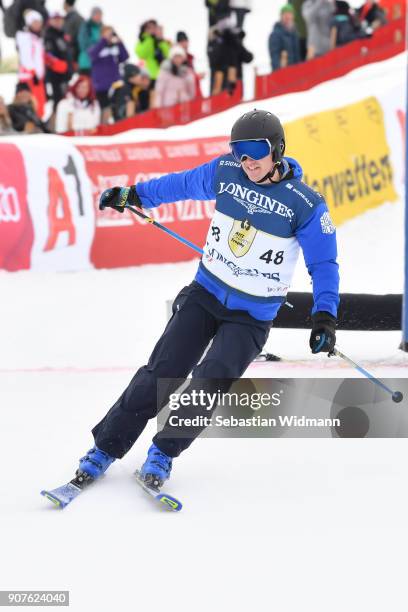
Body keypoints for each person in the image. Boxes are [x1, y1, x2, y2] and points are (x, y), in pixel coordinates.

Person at [69, 109, 340, 492]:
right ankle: (104, 449)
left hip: (251, 316)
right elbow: (180, 185)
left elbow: (324, 264)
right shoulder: (226, 172)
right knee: (161, 372)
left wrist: (325, 315)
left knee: (209, 382)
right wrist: (134, 195)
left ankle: (162, 453)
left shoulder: (305, 205)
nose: (246, 162)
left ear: (277, 149)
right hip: (205, 294)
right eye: (239, 152)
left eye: (255, 152)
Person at [88, 25, 129, 123]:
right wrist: (104, 41)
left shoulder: (115, 47)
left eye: (111, 33)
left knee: (118, 108)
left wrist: (120, 43)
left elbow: (124, 57)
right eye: (107, 33)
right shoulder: (96, 46)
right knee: (104, 109)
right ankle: (104, 130)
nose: (110, 36)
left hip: (115, 84)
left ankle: (119, 126)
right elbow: (92, 55)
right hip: (102, 86)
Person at [15, 9, 46, 118]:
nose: (38, 25)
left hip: (37, 77)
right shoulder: (25, 37)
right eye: (35, 22)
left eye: (39, 22)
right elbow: (26, 57)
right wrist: (33, 73)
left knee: (40, 103)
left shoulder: (37, 38)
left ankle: (39, 122)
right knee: (31, 103)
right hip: (29, 77)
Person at [44, 11, 73, 112]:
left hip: (65, 75)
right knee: (58, 102)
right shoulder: (49, 36)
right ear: (50, 21)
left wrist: (70, 68)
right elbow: (49, 57)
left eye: (60, 19)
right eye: (55, 19)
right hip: (56, 76)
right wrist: (62, 66)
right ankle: (53, 126)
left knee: (65, 101)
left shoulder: (63, 34)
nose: (58, 22)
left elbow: (67, 54)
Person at [135, 19, 171, 86]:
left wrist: (161, 39)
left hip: (163, 75)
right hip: (150, 76)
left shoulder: (161, 41)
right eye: (149, 28)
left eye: (154, 27)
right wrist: (150, 38)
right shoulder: (142, 41)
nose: (152, 30)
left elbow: (168, 54)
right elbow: (142, 54)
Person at [269, 4, 302, 71]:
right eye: (285, 14)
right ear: (281, 16)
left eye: (290, 14)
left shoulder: (295, 33)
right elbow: (274, 56)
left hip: (296, 71)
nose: (287, 16)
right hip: (283, 73)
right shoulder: (275, 34)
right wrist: (279, 71)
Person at [176, 31, 204, 98]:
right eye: (181, 42)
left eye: (186, 41)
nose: (184, 44)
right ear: (177, 44)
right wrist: (197, 77)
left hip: (197, 96)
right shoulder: (176, 61)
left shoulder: (190, 58)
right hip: (186, 99)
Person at [77, 6, 102, 75]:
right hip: (86, 63)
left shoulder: (102, 27)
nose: (99, 17)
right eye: (96, 14)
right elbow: (83, 44)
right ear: (92, 15)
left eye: (100, 15)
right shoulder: (86, 26)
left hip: (98, 63)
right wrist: (98, 45)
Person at [63, 0, 84, 65]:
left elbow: (79, 38)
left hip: (73, 54)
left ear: (66, 4)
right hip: (73, 53)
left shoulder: (73, 18)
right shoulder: (78, 17)